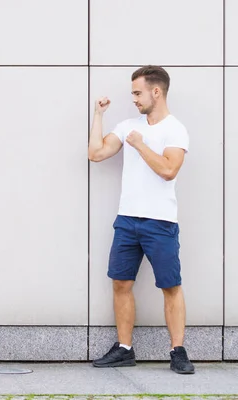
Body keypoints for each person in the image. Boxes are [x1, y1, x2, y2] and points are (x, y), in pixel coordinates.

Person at [88, 65, 194, 374]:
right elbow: (95, 153)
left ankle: (178, 351)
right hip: (127, 221)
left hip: (160, 222)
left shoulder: (175, 129)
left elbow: (168, 170)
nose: (134, 99)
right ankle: (124, 349)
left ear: (156, 91)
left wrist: (140, 144)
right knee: (121, 282)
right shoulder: (127, 125)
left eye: (137, 93)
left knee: (170, 285)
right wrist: (98, 116)